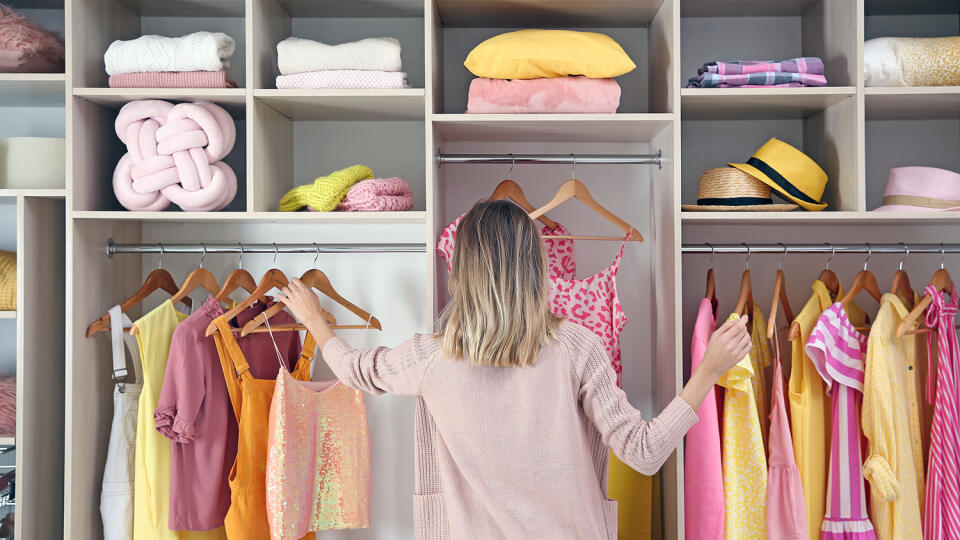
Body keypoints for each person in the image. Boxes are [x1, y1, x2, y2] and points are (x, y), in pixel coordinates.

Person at [277, 199, 751, 539]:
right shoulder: (577, 347)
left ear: (461, 271)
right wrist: (707, 371)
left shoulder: (428, 358)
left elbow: (357, 370)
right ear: (537, 266)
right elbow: (643, 452)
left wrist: (316, 322)